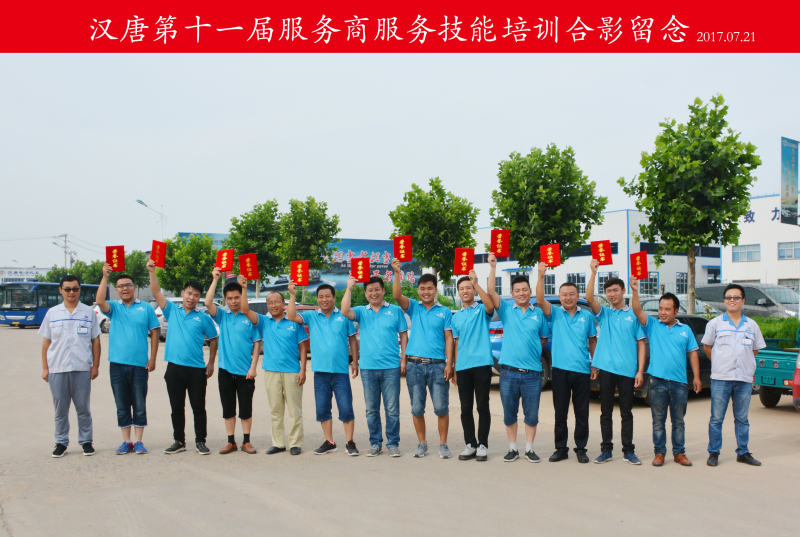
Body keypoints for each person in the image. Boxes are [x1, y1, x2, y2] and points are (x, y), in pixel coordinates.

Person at [148, 260, 219, 455]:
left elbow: (213, 339)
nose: (191, 297)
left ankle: (200, 441)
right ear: (182, 293)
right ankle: (179, 441)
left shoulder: (203, 317)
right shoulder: (172, 310)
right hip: (174, 368)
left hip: (197, 370)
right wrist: (152, 272)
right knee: (177, 407)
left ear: (199, 297)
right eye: (189, 293)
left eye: (196, 295)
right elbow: (156, 292)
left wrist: (211, 363)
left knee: (198, 407)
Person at [630, 278, 701, 467]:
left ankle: (679, 453)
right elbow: (637, 311)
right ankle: (659, 453)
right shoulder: (653, 325)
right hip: (657, 382)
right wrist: (635, 291)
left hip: (679, 383)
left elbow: (693, 353)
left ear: (676, 311)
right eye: (661, 308)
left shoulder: (685, 330)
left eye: (667, 309)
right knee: (658, 421)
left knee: (678, 421)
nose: (662, 312)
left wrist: (696, 377)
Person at [486, 254, 549, 463]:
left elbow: (543, 338)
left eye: (524, 290)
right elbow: (491, 292)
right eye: (517, 290)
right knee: (509, 413)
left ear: (530, 292)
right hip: (508, 373)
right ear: (512, 293)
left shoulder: (538, 314)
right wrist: (493, 267)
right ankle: (513, 448)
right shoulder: (506, 310)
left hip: (532, 374)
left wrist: (530, 349)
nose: (521, 293)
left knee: (532, 414)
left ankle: (529, 449)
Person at [287, 282, 360, 456]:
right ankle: (329, 442)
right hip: (320, 372)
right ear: (317, 299)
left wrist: (355, 362)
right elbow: (291, 316)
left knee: (346, 408)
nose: (324, 299)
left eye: (327, 296)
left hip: (340, 372)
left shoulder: (343, 316)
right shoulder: (312, 316)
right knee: (322, 409)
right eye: (320, 297)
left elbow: (352, 340)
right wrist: (292, 294)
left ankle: (350, 442)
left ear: (334, 298)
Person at [535, 262, 597, 464]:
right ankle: (561, 448)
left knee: (582, 413)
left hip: (581, 370)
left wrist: (594, 364)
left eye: (571, 294)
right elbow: (540, 299)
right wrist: (541, 276)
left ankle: (581, 448)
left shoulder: (587, 316)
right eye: (564, 294)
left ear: (577, 296)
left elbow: (592, 341)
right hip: (560, 371)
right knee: (560, 413)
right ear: (559, 297)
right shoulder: (554, 313)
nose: (568, 297)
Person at [585, 260, 646, 465]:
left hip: (627, 371)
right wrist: (593, 273)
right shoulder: (604, 314)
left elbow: (641, 344)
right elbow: (589, 298)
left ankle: (628, 451)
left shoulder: (633, 315)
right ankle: (606, 450)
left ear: (623, 291)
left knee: (626, 412)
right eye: (609, 291)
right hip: (606, 369)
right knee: (606, 412)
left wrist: (640, 371)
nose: (612, 294)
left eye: (616, 290)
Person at [392, 259, 454, 459]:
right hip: (415, 366)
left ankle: (443, 444)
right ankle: (422, 444)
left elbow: (449, 339)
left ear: (436, 290)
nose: (426, 292)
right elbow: (397, 295)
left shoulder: (444, 312)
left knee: (441, 407)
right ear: (418, 290)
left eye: (429, 288)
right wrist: (397, 272)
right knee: (417, 408)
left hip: (438, 366)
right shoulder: (414, 307)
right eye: (422, 288)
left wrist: (450, 364)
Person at [341, 275, 408, 457]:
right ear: (365, 293)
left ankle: (393, 443)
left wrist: (403, 359)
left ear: (383, 291)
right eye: (370, 290)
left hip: (391, 367)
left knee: (392, 409)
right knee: (372, 410)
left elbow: (403, 336)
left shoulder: (395, 311)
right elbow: (345, 311)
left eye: (377, 289)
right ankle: (375, 443)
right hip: (368, 368)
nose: (374, 293)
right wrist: (349, 288)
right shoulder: (361, 311)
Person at [96, 265, 160, 455]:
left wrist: (153, 358)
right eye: (121, 286)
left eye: (128, 285)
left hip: (140, 365)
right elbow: (99, 301)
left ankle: (138, 441)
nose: (125, 288)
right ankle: (126, 441)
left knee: (139, 404)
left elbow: (155, 332)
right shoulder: (114, 308)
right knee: (122, 405)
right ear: (116, 290)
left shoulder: (146, 308)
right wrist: (105, 277)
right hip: (117, 364)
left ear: (135, 288)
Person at [702, 283, 766, 467]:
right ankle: (714, 452)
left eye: (736, 297)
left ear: (743, 301)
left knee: (742, 419)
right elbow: (708, 347)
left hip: (743, 379)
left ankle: (743, 452)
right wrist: (721, 362)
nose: (732, 300)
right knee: (716, 418)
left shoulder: (751, 325)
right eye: (729, 297)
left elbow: (754, 350)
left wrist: (742, 363)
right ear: (724, 301)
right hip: (721, 378)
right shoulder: (715, 324)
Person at [39, 275, 101, 457]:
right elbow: (46, 343)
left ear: (79, 290)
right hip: (57, 369)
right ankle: (61, 442)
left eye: (75, 289)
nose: (71, 292)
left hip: (82, 368)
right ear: (61, 290)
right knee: (60, 411)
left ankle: (86, 441)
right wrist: (45, 368)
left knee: (83, 409)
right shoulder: (52, 313)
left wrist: (95, 365)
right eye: (67, 289)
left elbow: (95, 341)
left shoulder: (88, 313)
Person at [241, 290, 308, 456]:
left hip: (292, 372)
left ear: (284, 304)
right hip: (271, 371)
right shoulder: (264, 321)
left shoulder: (294, 322)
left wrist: (303, 370)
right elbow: (245, 310)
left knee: (294, 410)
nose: (273, 305)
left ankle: (295, 443)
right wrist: (243, 288)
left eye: (277, 302)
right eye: (269, 303)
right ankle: (278, 443)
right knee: (276, 410)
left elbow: (302, 348)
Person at [205, 270, 262, 455]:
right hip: (225, 370)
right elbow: (208, 302)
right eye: (229, 298)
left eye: (237, 297)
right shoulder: (223, 316)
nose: (233, 301)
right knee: (228, 407)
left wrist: (253, 367)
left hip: (246, 372)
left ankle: (246, 441)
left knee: (246, 408)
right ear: (225, 299)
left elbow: (257, 343)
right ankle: (231, 442)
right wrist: (215, 279)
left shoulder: (250, 317)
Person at [451, 270, 494, 462]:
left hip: (482, 364)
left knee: (482, 406)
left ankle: (483, 445)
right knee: (465, 408)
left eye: (468, 287)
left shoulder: (482, 310)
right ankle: (470, 444)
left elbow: (491, 305)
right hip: (463, 367)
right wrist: (454, 368)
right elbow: (456, 343)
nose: (465, 291)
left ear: (474, 290)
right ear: (458, 292)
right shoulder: (456, 317)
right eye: (461, 288)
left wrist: (476, 283)